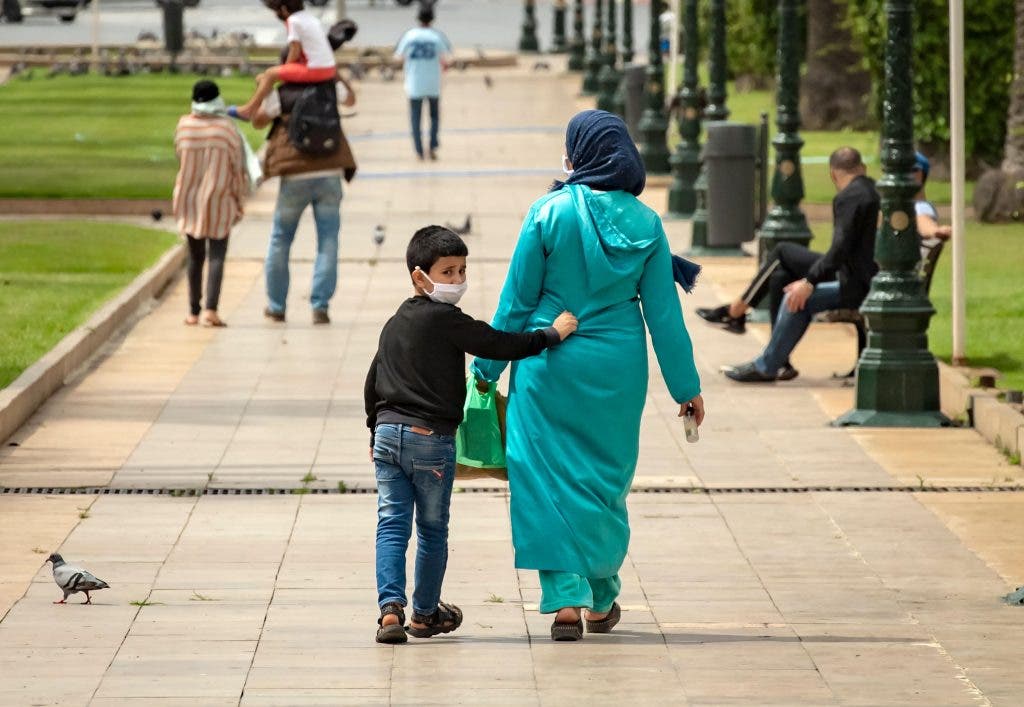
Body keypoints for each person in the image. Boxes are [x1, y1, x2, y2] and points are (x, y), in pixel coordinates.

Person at [471, 110, 705, 642]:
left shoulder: (548, 213)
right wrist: (686, 388)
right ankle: (600, 597)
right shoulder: (647, 223)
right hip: (617, 371)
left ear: (578, 154)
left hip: (549, 362)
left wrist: (486, 368)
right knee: (603, 482)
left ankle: (565, 601)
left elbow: (516, 301)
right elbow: (664, 318)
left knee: (545, 479)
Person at [365, 225, 579, 644]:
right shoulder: (448, 320)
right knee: (430, 530)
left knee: (391, 525)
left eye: (462, 270)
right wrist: (552, 334)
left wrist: (375, 431)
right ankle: (424, 614)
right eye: (447, 272)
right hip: (431, 439)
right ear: (419, 275)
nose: (457, 281)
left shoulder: (394, 324)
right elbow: (497, 344)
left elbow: (372, 381)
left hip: (388, 436)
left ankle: (390, 611)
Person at [712, 147, 881, 382]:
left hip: (859, 285)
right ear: (861, 168)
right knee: (781, 277)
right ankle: (776, 360)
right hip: (866, 278)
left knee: (796, 296)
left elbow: (840, 250)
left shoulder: (849, 197)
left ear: (833, 173)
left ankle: (765, 362)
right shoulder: (873, 190)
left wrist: (809, 282)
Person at [251, 47, 358, 325]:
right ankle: (320, 306)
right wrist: (333, 72)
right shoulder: (329, 88)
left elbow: (257, 120)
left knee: (280, 239)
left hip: (294, 175)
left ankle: (276, 306)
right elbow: (351, 100)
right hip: (330, 170)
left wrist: (264, 87)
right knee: (328, 239)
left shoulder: (283, 92)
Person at [173, 80, 253, 327]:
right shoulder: (227, 129)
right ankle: (211, 310)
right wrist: (239, 199)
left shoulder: (184, 126)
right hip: (220, 198)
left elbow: (179, 155)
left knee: (195, 256)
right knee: (217, 254)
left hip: (189, 198)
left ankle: (193, 312)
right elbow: (237, 168)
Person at [231, 0, 336, 121]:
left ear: (284, 10)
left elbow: (295, 50)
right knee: (269, 76)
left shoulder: (293, 20)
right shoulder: (311, 18)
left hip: (315, 69)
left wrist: (285, 69)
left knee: (270, 74)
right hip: (329, 68)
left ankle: (248, 110)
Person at [394, 6, 453, 160]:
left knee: (415, 118)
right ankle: (432, 146)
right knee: (434, 116)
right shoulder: (437, 36)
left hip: (414, 83)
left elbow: (398, 57)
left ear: (418, 18)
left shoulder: (409, 35)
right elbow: (448, 56)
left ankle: (419, 151)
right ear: (432, 19)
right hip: (433, 83)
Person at [912, 151, 953, 241]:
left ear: (923, 174)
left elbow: (922, 219)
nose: (908, 174)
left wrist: (934, 231)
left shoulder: (921, 206)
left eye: (914, 170)